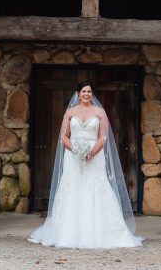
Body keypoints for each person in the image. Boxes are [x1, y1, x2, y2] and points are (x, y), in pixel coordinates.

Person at [28, 81, 144, 249]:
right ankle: (66, 232)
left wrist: (91, 153)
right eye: (83, 91)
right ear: (78, 93)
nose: (86, 94)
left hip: (94, 156)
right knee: (72, 185)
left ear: (92, 94)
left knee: (96, 185)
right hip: (72, 156)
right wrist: (75, 150)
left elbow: (103, 137)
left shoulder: (100, 112)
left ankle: (101, 232)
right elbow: (64, 136)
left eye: (89, 91)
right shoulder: (70, 112)